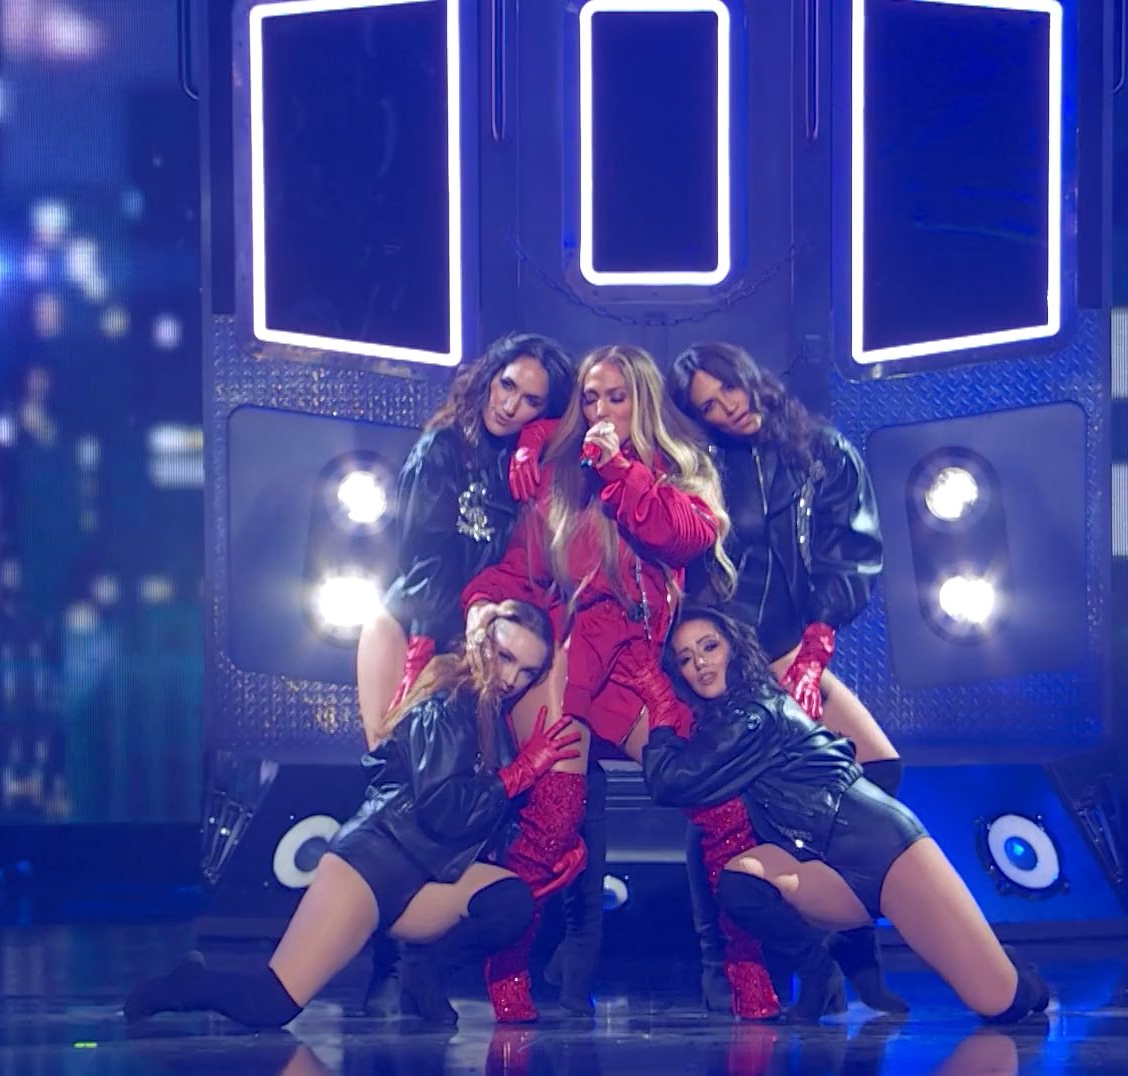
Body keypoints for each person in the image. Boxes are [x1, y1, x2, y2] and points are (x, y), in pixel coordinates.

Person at [462, 345, 786, 1021]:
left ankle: (744, 967)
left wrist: (618, 469)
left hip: (634, 663)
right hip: (566, 654)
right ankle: (507, 971)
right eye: (590, 398)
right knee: (552, 818)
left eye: (617, 396)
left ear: (643, 401)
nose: (601, 411)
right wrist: (483, 607)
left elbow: (682, 537)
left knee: (718, 801)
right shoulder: (559, 479)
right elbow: (523, 569)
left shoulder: (676, 471)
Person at [124, 599, 583, 1028]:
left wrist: (557, 845)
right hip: (373, 865)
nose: (512, 679)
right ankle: (189, 984)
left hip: (431, 874)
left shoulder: (488, 716)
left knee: (510, 901)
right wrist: (524, 770)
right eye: (505, 657)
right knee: (271, 1006)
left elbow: (482, 816)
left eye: (528, 671)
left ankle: (425, 974)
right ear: (481, 643)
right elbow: (444, 809)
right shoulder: (447, 703)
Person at [348, 332, 603, 1016]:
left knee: (493, 791)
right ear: (488, 377)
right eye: (506, 385)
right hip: (420, 627)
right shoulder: (442, 449)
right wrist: (429, 653)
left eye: (532, 401)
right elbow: (424, 562)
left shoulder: (529, 461)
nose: (511, 405)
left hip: (488, 640)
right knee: (398, 793)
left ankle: (471, 954)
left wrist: (531, 443)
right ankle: (388, 964)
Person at [645, 608, 1053, 1026]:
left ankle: (1015, 974)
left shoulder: (754, 714)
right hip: (821, 864)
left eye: (710, 647)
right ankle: (817, 971)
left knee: (1001, 1003)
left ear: (734, 649)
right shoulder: (726, 719)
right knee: (739, 882)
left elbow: (669, 783)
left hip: (880, 849)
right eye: (686, 658)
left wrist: (659, 716)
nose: (701, 663)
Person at [670, 340, 902, 1014]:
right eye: (707, 407)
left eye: (728, 390)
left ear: (750, 377)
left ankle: (850, 941)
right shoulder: (702, 467)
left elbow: (849, 552)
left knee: (875, 771)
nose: (726, 409)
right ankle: (726, 961)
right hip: (723, 656)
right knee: (722, 808)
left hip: (789, 646)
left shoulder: (822, 452)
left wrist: (815, 647)